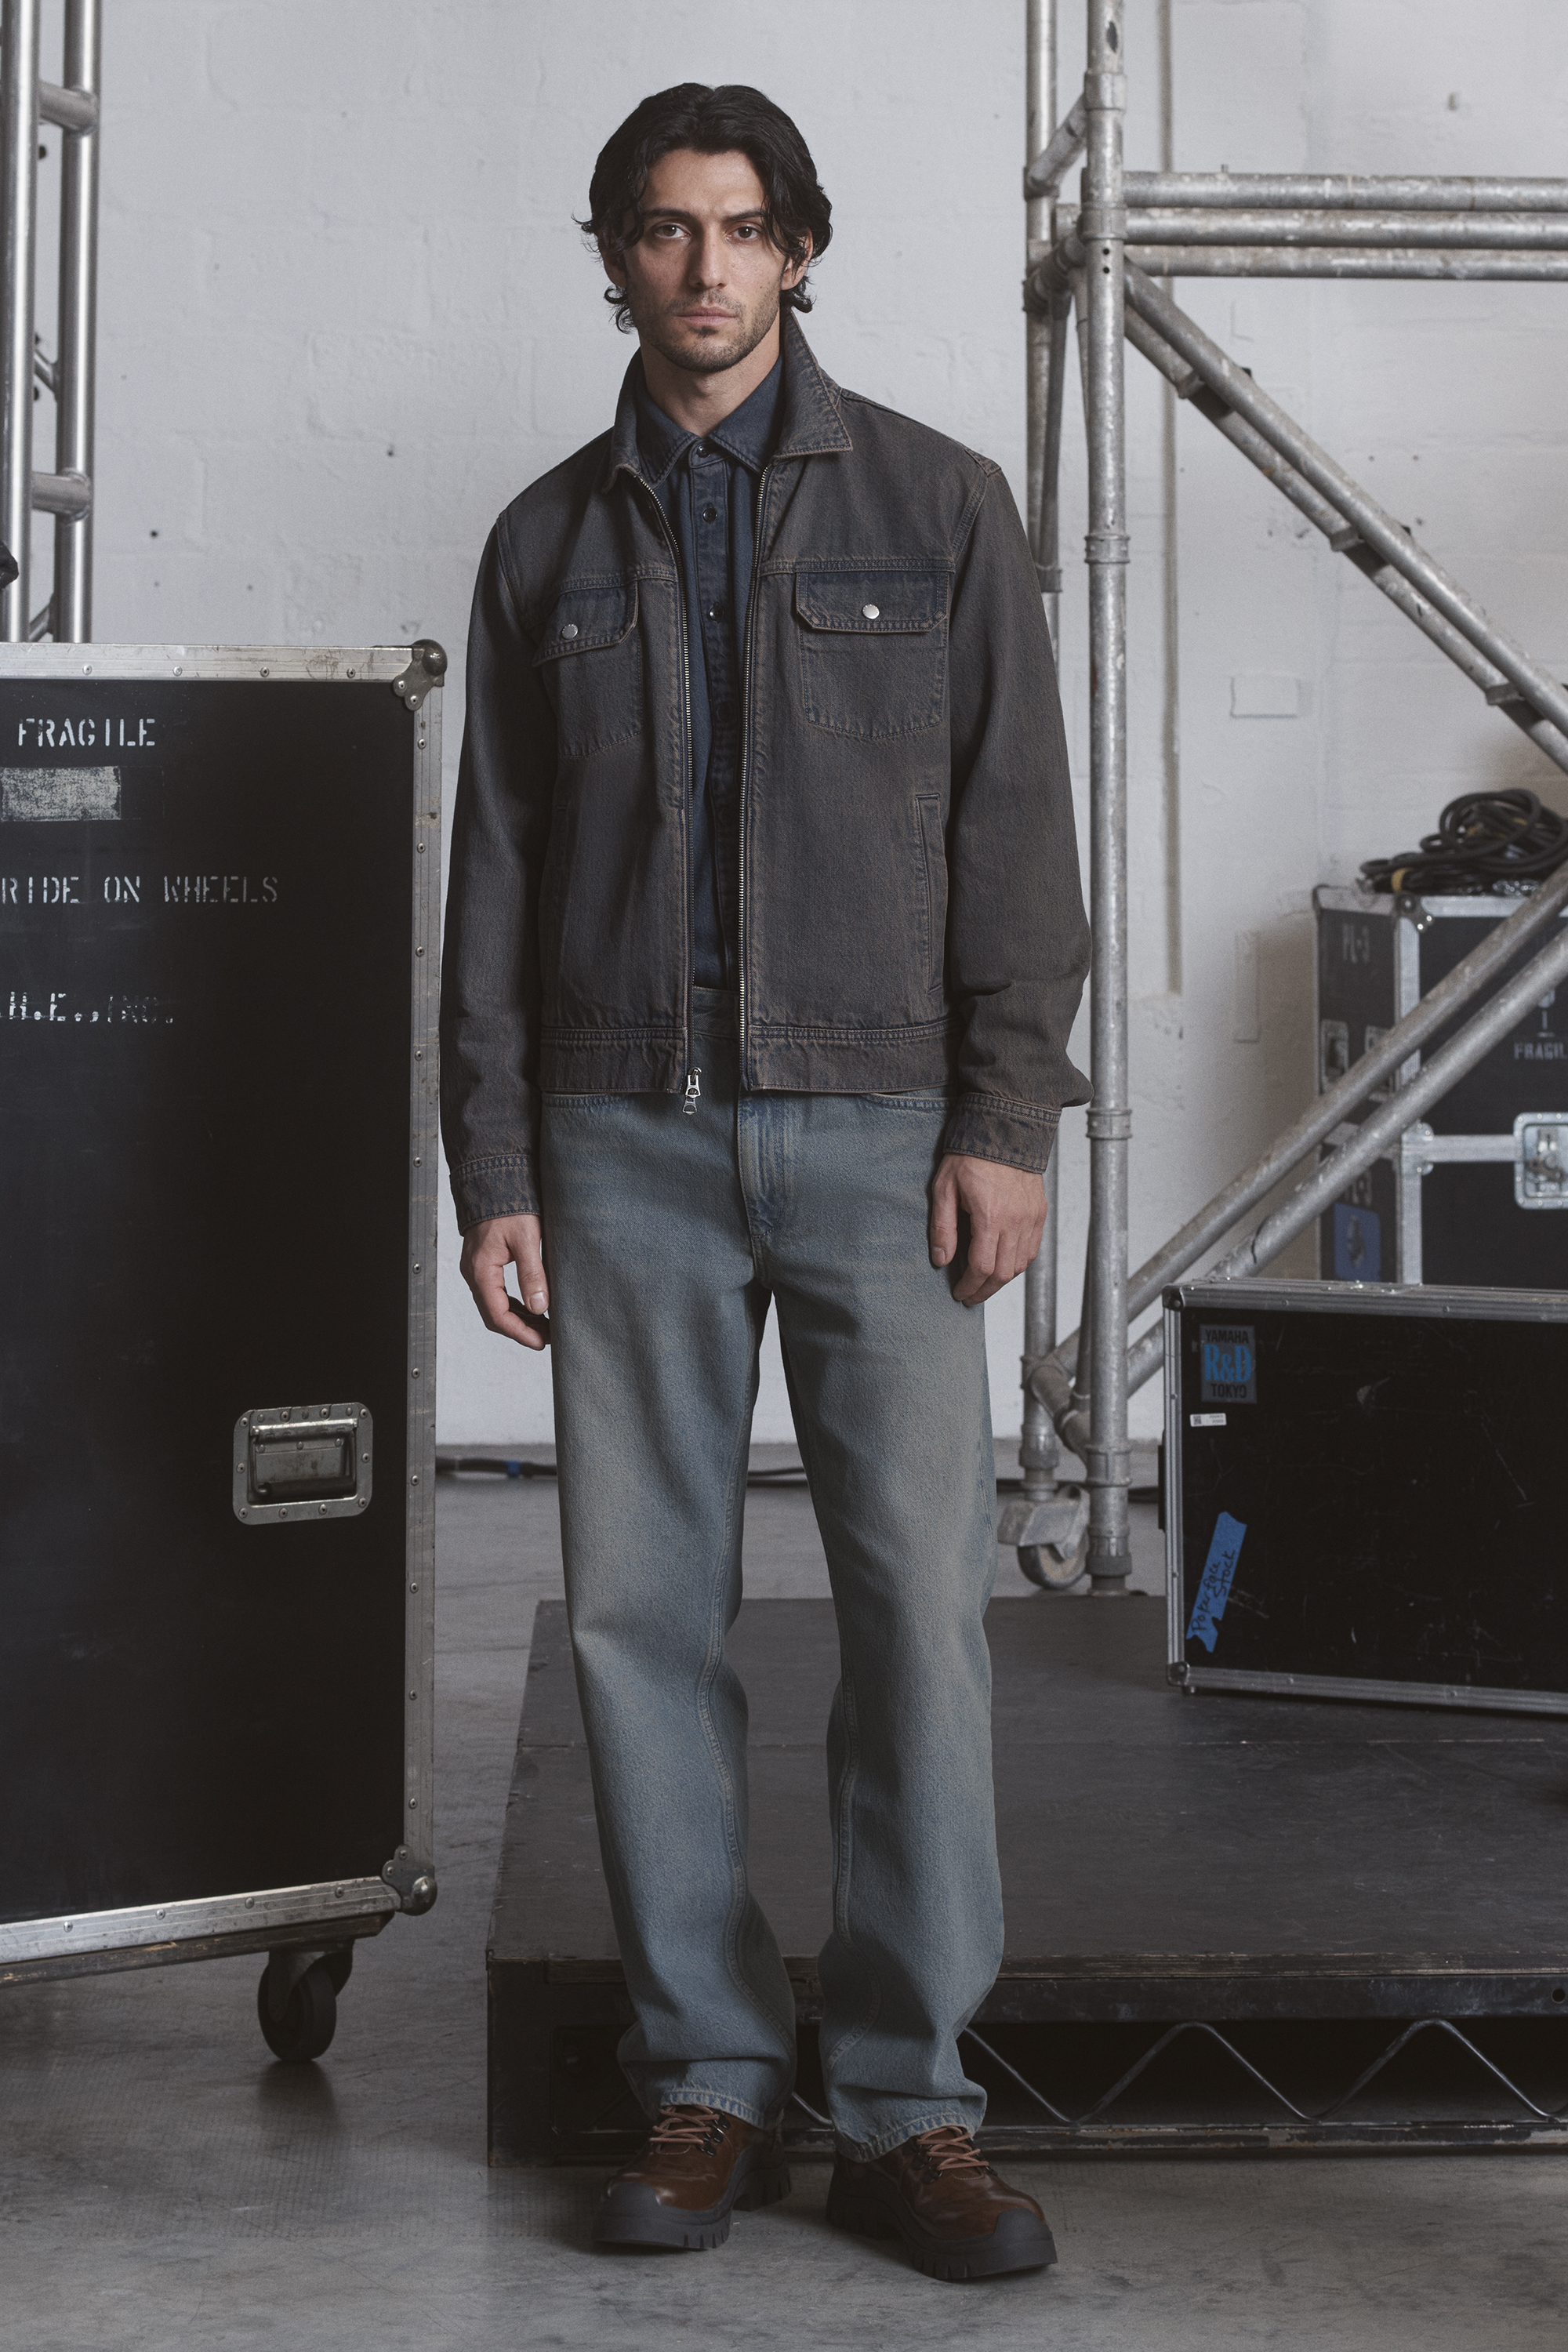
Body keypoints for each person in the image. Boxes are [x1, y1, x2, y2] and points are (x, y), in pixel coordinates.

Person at [440, 82, 1089, 2283]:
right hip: (619, 1138)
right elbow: (495, 876)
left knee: (917, 1621)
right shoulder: (543, 544)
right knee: (641, 1622)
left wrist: (1007, 1119)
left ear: (798, 250)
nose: (702, 267)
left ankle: (908, 2107)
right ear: (614, 256)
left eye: (740, 228)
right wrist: (496, 1161)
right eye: (662, 229)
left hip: (888, 1133)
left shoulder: (941, 503)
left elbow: (1016, 833)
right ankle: (708, 2076)